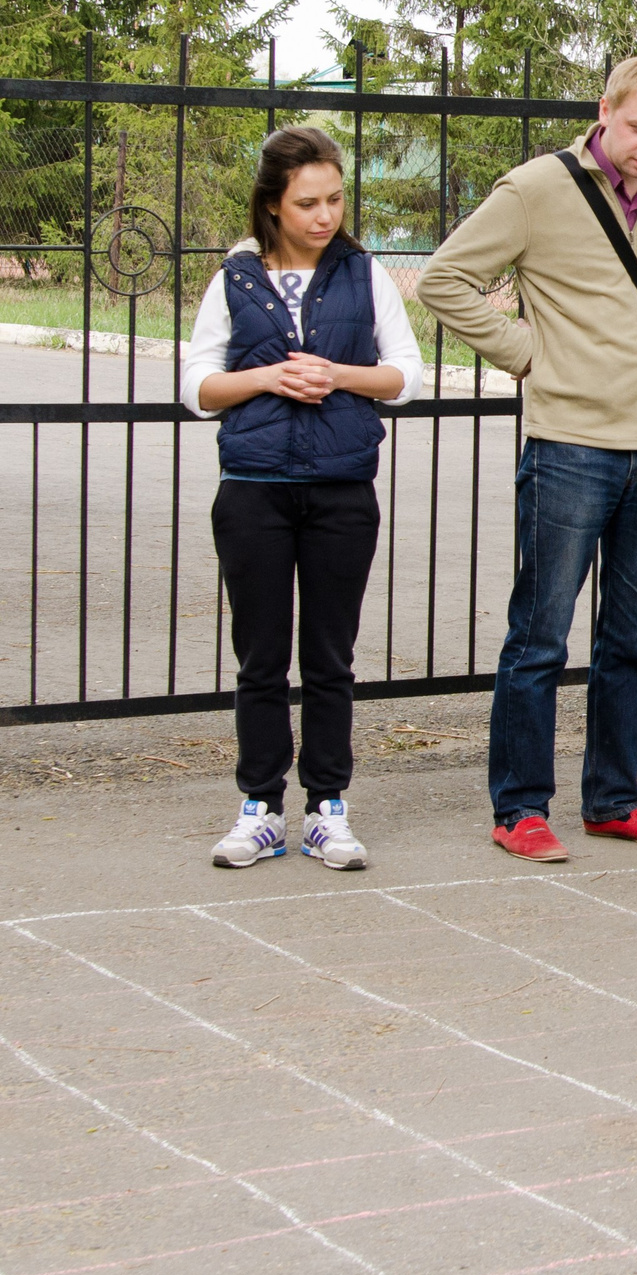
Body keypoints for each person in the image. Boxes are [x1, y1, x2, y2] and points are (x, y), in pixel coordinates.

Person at [417, 56, 637, 863]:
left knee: (633, 638)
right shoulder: (535, 190)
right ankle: (519, 807)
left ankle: (614, 801)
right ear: (604, 111)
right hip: (567, 448)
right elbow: (445, 279)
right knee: (541, 636)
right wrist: (529, 357)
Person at [181, 126, 424, 871]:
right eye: (308, 203)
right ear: (273, 206)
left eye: (335, 198)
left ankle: (327, 809)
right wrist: (266, 378)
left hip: (341, 493)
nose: (326, 215)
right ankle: (259, 807)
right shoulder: (236, 279)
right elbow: (195, 388)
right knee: (258, 660)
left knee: (329, 659)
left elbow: (406, 376)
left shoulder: (364, 273)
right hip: (254, 492)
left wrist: (338, 373)